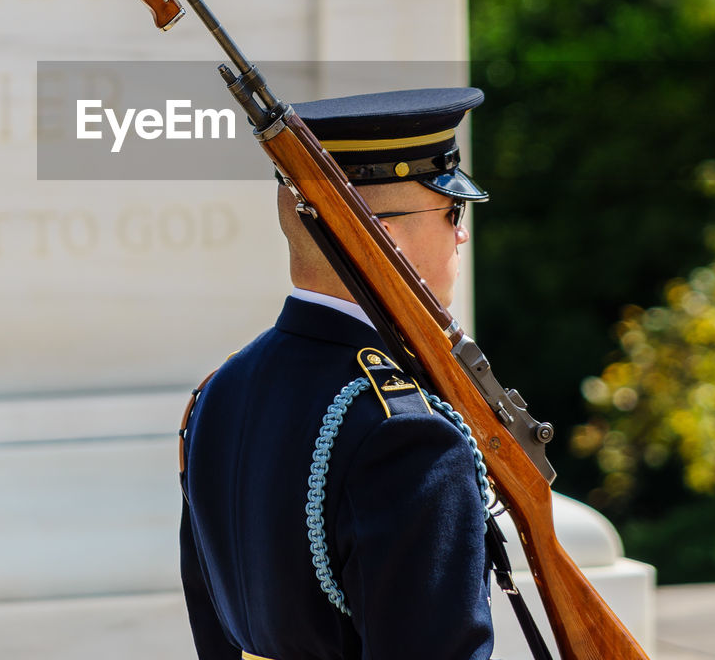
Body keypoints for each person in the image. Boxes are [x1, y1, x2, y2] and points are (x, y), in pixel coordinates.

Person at [179, 88, 496, 660]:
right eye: (453, 210)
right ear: (383, 238)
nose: (462, 234)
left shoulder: (217, 395)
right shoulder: (405, 435)